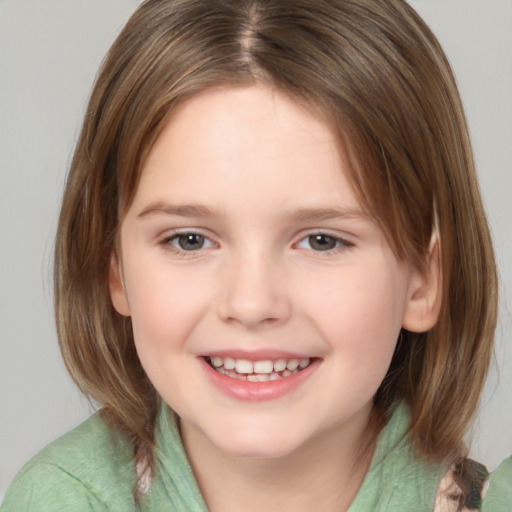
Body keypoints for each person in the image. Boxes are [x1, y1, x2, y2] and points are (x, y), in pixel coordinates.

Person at [2, 0, 511, 510]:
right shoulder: (60, 499)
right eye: (189, 240)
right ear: (115, 268)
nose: (251, 303)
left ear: (422, 279)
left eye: (321, 241)